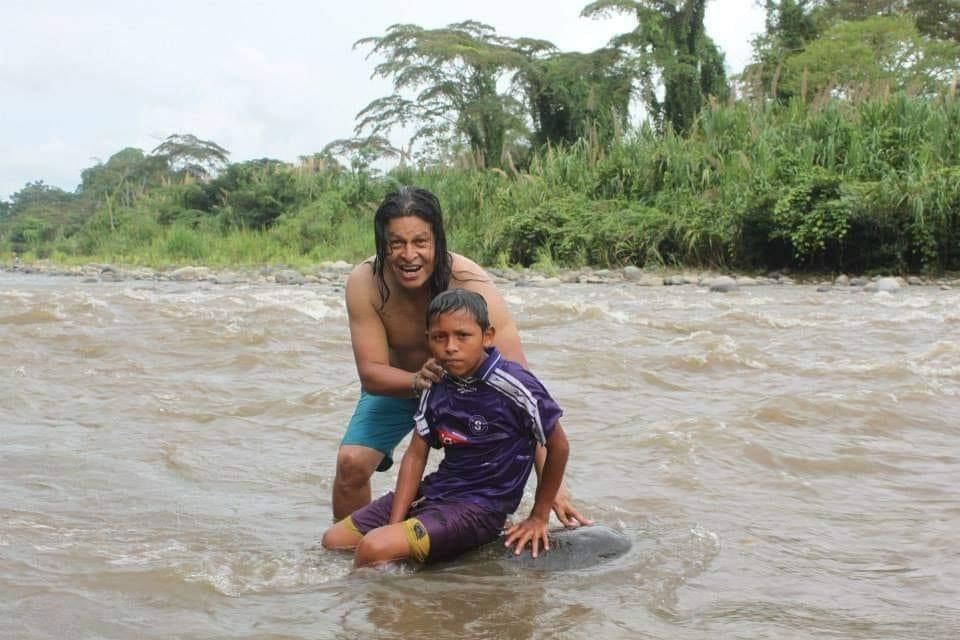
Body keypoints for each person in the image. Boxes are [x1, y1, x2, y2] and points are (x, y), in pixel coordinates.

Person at [332, 185, 589, 527]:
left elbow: (524, 394)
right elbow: (371, 374)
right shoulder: (365, 282)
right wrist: (417, 381)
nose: (409, 255)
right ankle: (356, 566)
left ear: (437, 241)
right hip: (402, 384)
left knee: (474, 483)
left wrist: (552, 486)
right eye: (396, 244)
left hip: (473, 394)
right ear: (383, 245)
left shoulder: (470, 282)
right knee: (350, 463)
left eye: (420, 242)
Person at [322, 288, 569, 566]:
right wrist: (395, 522)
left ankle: (374, 602)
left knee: (372, 549)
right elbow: (416, 456)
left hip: (479, 508)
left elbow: (558, 445)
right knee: (334, 541)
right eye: (440, 337)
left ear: (487, 336)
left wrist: (539, 514)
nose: (451, 346)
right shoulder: (437, 381)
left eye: (462, 336)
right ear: (428, 340)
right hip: (435, 492)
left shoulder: (515, 385)